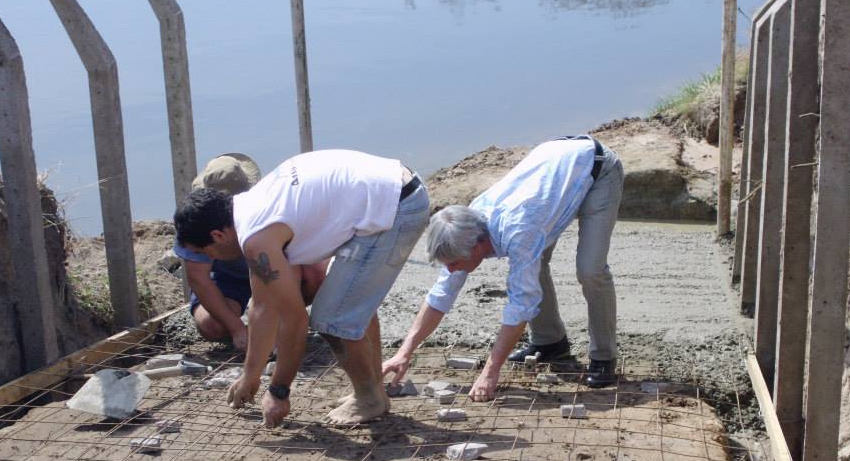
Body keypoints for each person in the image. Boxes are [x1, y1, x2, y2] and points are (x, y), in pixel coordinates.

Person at [173, 149, 430, 427]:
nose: (209, 259)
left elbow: (294, 320)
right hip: (394, 189)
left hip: (396, 204)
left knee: (333, 317)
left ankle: (369, 398)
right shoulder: (248, 211)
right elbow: (262, 308)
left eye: (205, 251)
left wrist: (279, 391)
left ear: (218, 235)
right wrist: (251, 375)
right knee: (349, 303)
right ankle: (372, 390)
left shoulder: (256, 238)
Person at [382, 135, 624, 402]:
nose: (451, 271)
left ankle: (603, 356)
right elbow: (441, 294)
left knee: (590, 270)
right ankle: (550, 342)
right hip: (554, 173)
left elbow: (521, 302)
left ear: (476, 247)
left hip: (596, 167)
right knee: (533, 264)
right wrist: (404, 352)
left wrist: (490, 371)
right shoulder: (466, 228)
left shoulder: (519, 231)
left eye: (453, 264)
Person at [173, 153, 327, 349]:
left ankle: (282, 324)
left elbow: (299, 256)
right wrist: (237, 329)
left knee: (314, 274)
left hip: (274, 267)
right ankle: (253, 331)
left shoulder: (269, 207)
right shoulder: (195, 221)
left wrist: (286, 314)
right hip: (228, 277)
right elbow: (198, 278)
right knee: (211, 326)